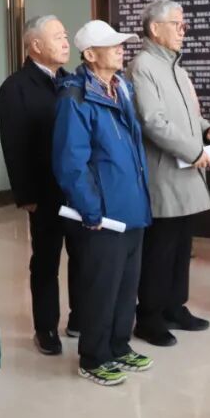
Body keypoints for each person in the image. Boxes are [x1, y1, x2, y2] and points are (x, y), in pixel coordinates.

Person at [53, 20, 153, 386]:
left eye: (121, 44)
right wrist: (90, 209)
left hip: (132, 207)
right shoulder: (75, 96)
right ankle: (94, 358)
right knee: (101, 288)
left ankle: (119, 346)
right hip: (103, 215)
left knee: (126, 286)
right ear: (91, 55)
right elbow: (70, 162)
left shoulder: (121, 87)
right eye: (113, 45)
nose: (121, 50)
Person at [127, 0, 210, 347]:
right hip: (164, 173)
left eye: (183, 24)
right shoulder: (143, 66)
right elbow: (153, 121)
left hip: (187, 169)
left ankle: (174, 307)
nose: (183, 31)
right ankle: (149, 317)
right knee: (160, 250)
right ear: (155, 29)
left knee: (182, 246)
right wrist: (194, 150)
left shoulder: (176, 67)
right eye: (177, 24)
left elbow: (186, 115)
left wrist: (207, 128)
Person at [0, 15, 81, 356]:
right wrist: (26, 195)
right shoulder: (16, 87)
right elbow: (14, 145)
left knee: (82, 254)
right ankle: (45, 328)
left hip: (76, 189)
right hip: (44, 191)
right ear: (35, 45)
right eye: (58, 36)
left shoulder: (70, 81)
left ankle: (79, 318)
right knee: (46, 260)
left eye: (65, 35)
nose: (65, 42)